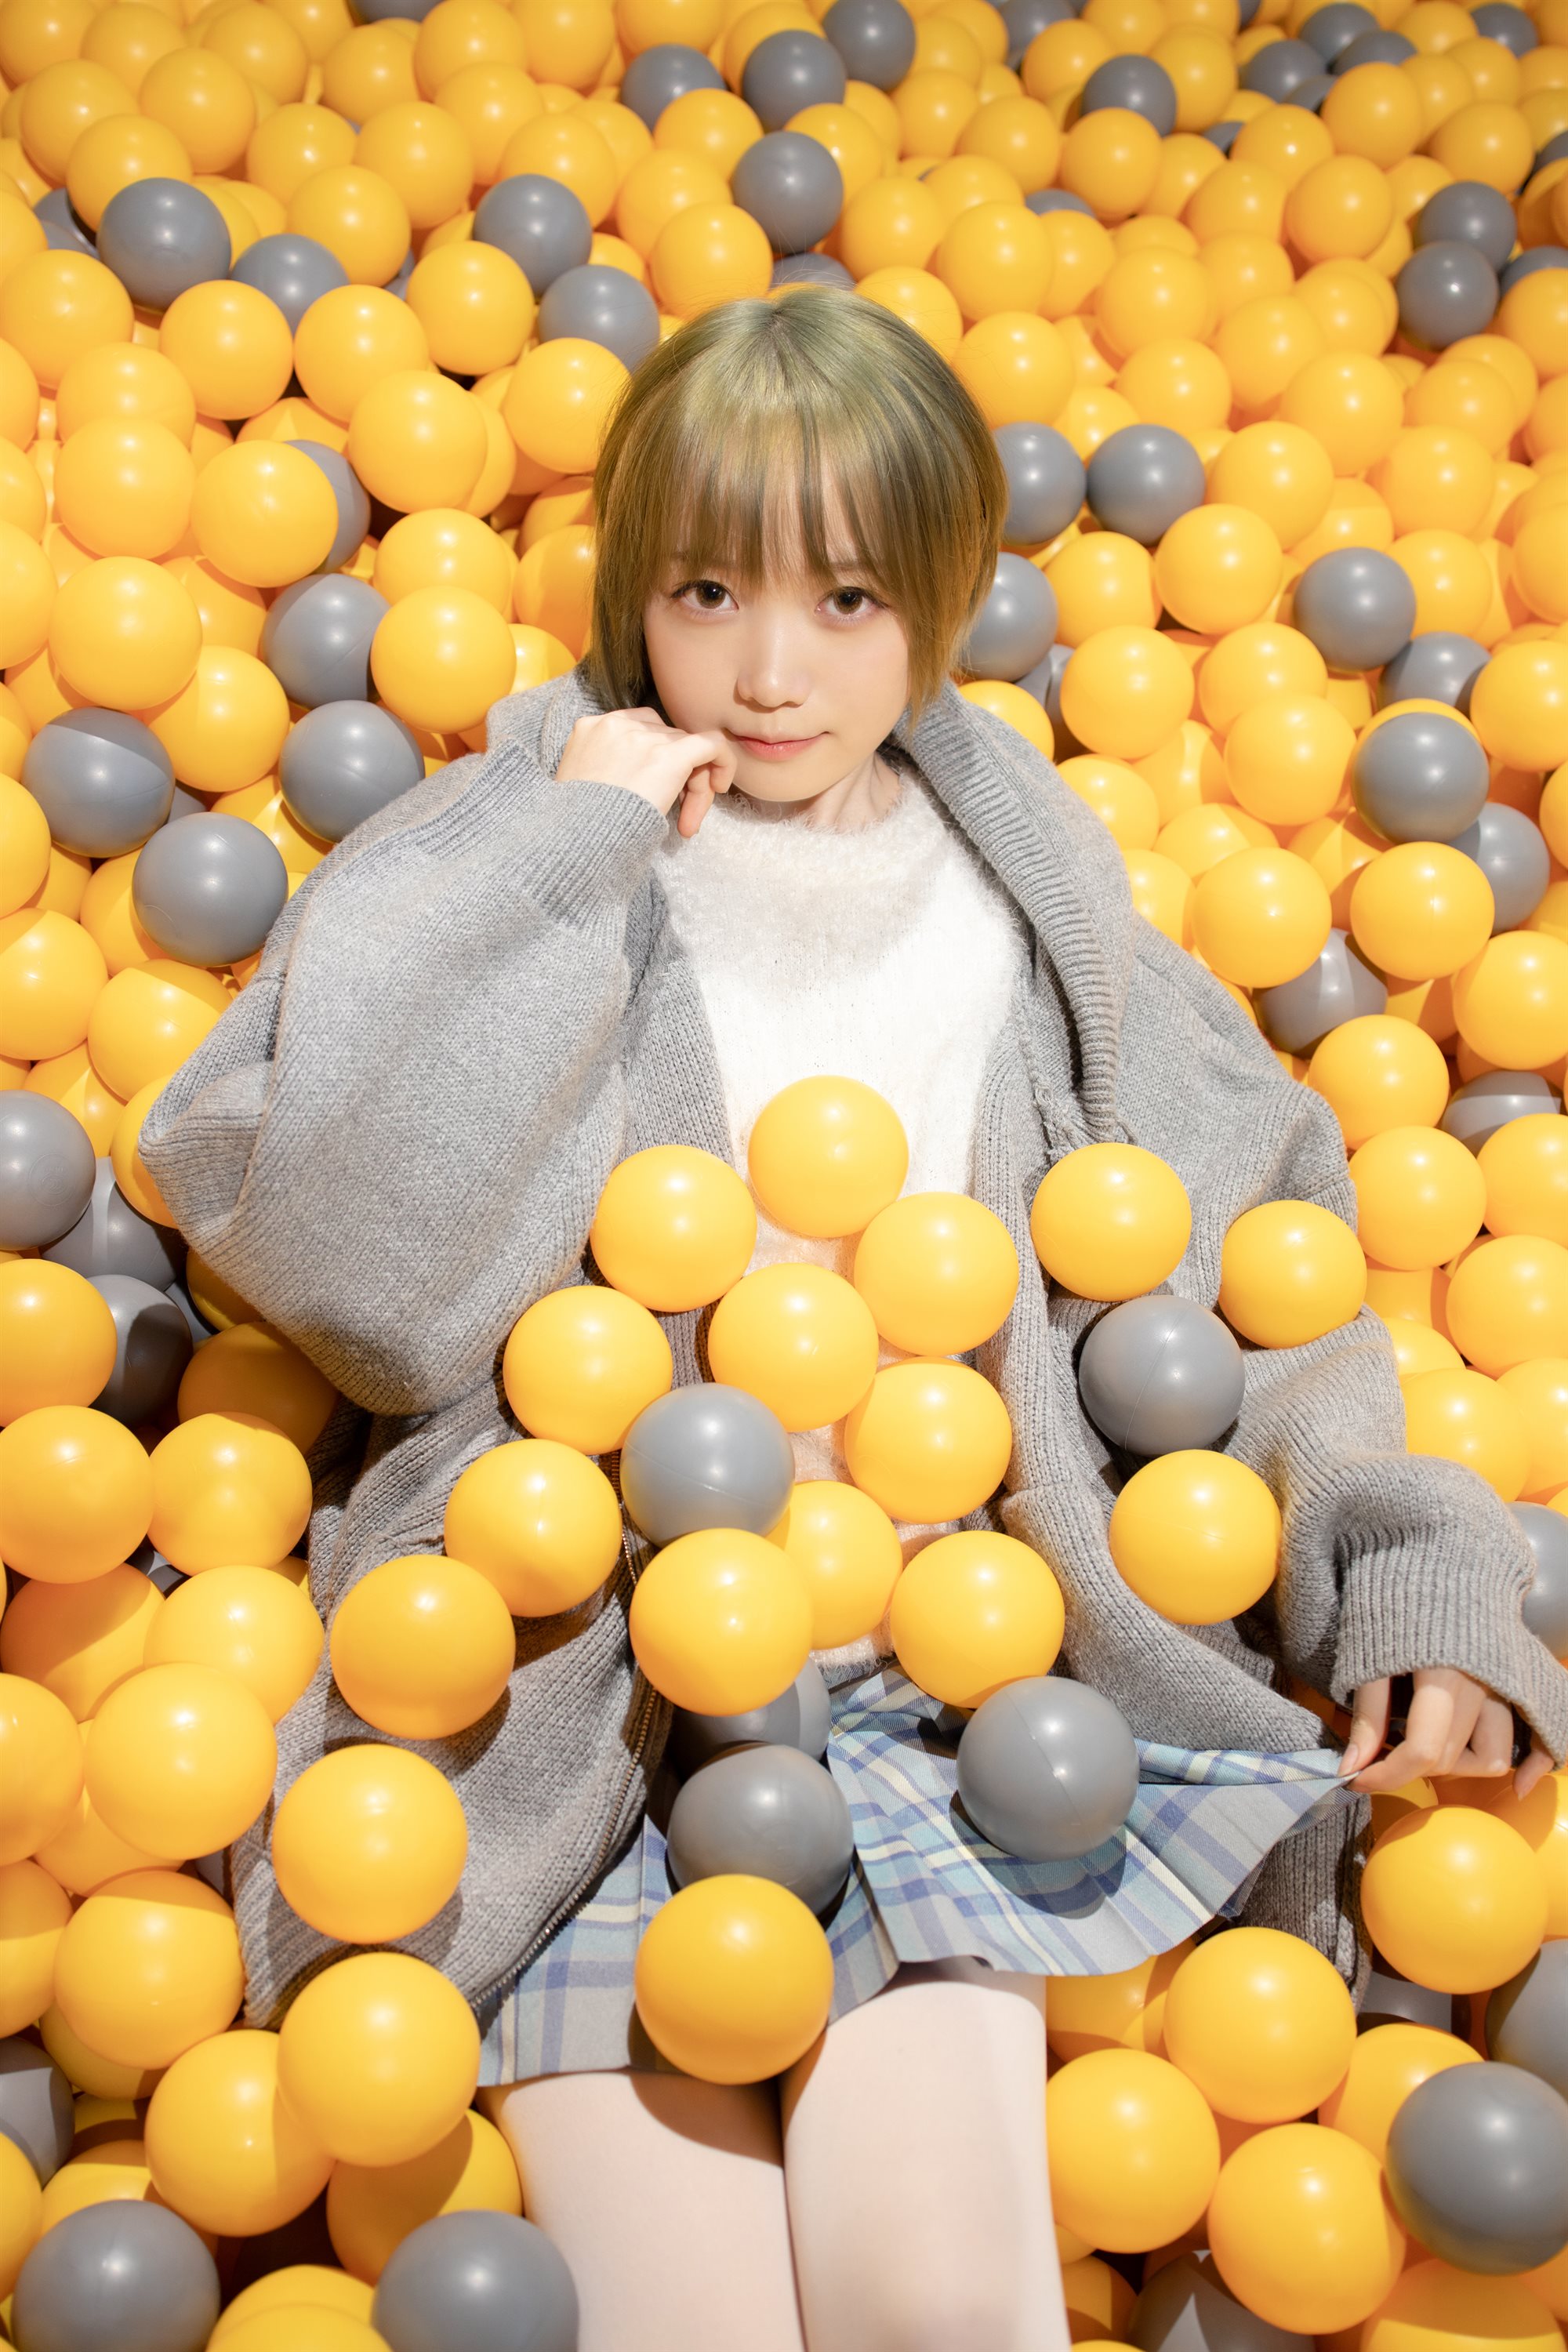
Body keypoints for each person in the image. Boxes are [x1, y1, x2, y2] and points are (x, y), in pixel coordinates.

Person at [141, 288, 1566, 2352]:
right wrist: (572, 848)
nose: (771, 671)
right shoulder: (523, 831)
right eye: (709, 591)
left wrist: (1405, 1560)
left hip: (955, 1686)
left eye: (847, 599)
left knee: (944, 2309)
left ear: (941, 602)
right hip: (582, 1698)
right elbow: (333, 1243)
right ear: (637, 587)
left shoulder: (1028, 899)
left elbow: (1259, 1262)